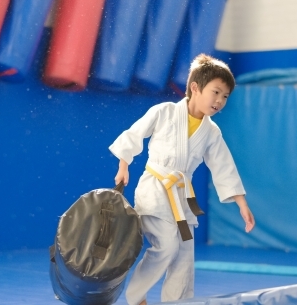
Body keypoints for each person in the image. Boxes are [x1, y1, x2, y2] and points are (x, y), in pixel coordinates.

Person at [109, 54, 255, 305]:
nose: (220, 101)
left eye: (225, 96)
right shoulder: (164, 112)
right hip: (155, 189)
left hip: (182, 198)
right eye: (216, 92)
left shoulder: (211, 131)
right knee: (166, 246)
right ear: (195, 88)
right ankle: (136, 296)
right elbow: (135, 134)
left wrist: (241, 203)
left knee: (183, 256)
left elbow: (223, 166)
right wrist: (124, 165)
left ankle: (178, 303)